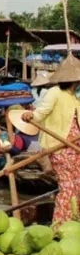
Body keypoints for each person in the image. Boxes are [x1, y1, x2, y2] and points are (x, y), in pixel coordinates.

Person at [22, 58, 80, 223]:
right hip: (60, 147)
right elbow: (41, 112)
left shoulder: (74, 99)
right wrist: (30, 116)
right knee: (67, 186)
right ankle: (59, 226)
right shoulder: (55, 92)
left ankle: (74, 222)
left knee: (77, 186)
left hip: (75, 148)